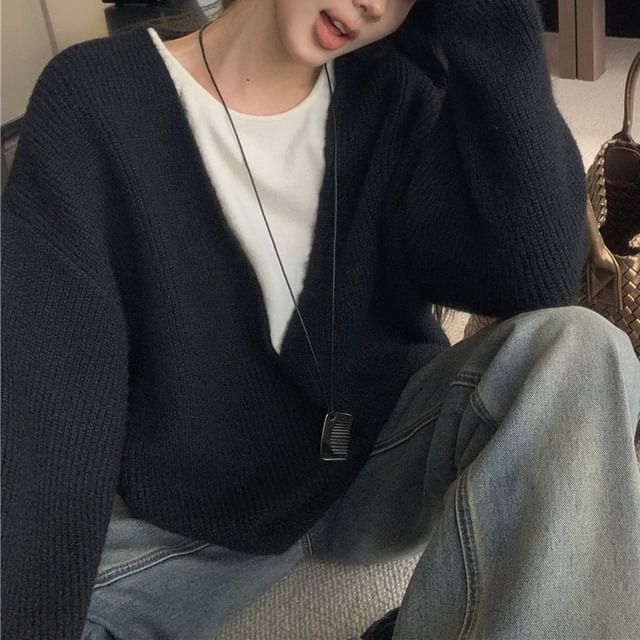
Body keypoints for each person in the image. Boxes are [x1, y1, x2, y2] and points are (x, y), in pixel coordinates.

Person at [2, 0, 639, 638]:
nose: (374, 5)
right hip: (194, 508)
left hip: (381, 460)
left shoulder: (397, 94)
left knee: (581, 350)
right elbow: (52, 393)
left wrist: (490, 20)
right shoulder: (94, 98)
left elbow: (534, 279)